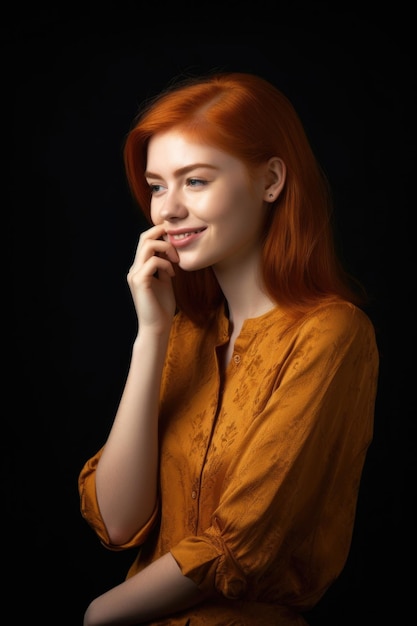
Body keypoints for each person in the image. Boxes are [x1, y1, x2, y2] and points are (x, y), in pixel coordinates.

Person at [78, 71, 379, 625]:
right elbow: (120, 524)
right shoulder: (183, 332)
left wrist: (101, 612)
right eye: (156, 184)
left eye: (194, 180)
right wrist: (152, 334)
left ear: (270, 180)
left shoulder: (332, 334)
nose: (165, 210)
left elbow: (240, 543)